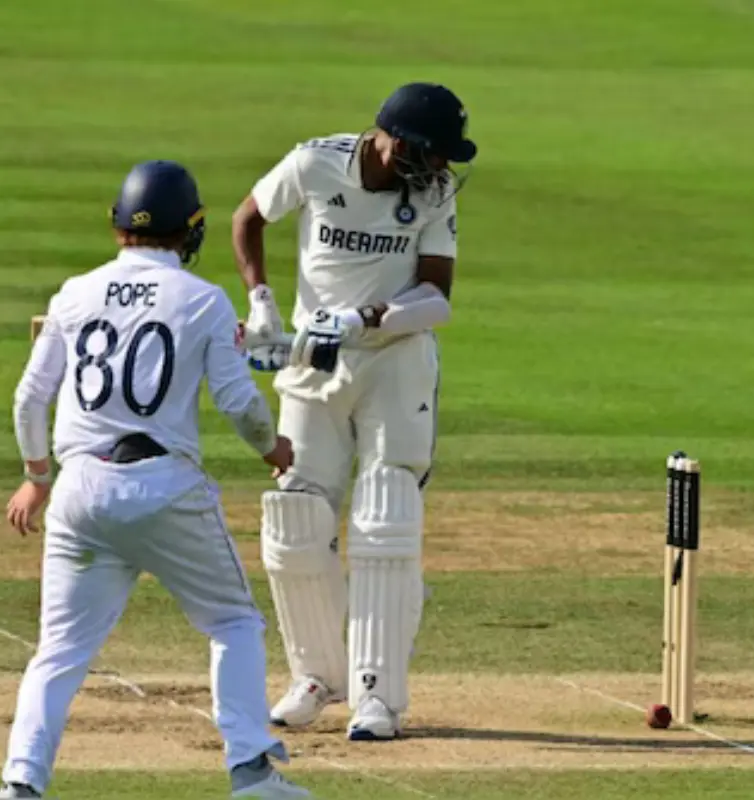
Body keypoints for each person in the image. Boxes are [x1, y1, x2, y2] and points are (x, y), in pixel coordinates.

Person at [1, 161, 309, 798]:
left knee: (57, 654)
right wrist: (272, 446)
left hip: (80, 491)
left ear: (119, 228)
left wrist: (36, 477)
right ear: (189, 231)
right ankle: (251, 773)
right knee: (233, 623)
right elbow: (237, 401)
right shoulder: (201, 299)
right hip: (165, 488)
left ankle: (20, 784)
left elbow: (30, 399)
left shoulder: (74, 293)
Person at [231, 82, 476, 740]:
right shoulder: (315, 163)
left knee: (385, 516)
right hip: (315, 358)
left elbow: (438, 297)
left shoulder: (433, 193)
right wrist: (259, 300)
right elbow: (248, 216)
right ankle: (317, 677)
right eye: (430, 155)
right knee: (294, 517)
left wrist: (364, 315)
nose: (439, 169)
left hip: (394, 359)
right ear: (391, 140)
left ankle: (377, 696)